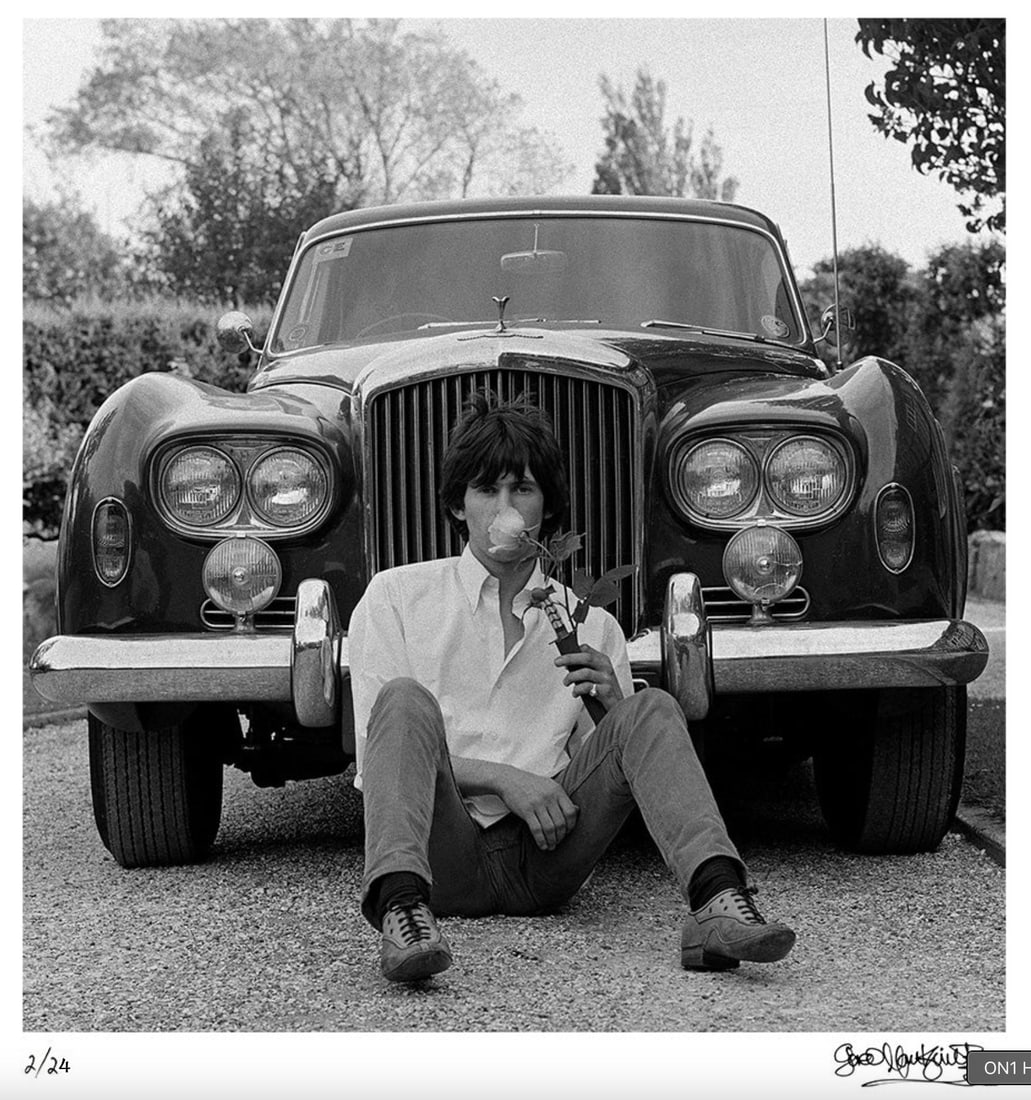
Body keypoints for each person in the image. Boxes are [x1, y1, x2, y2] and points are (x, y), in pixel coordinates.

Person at [348, 392, 796, 982]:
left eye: (522, 489)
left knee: (650, 706)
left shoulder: (590, 625)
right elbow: (378, 759)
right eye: (486, 490)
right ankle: (403, 913)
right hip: (443, 855)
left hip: (546, 858)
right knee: (403, 699)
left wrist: (614, 707)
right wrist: (507, 780)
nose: (505, 508)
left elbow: (608, 775)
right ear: (458, 505)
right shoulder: (395, 596)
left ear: (547, 507)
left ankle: (717, 900)